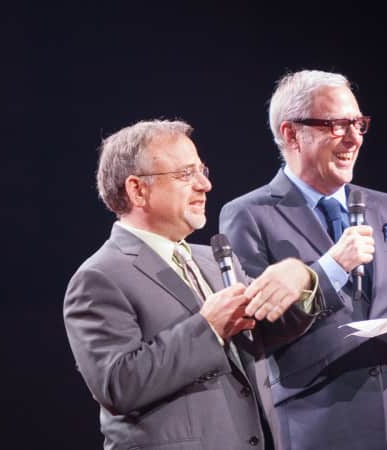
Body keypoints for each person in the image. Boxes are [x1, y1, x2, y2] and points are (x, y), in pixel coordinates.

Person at [220, 70, 387, 450]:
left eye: (358, 124)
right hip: (317, 426)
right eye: (336, 125)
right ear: (290, 133)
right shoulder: (248, 215)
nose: (353, 139)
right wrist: (331, 268)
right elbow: (255, 334)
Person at [63, 119, 321, 450]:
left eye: (202, 171)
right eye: (185, 174)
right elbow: (118, 385)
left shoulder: (211, 259)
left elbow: (259, 335)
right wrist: (208, 327)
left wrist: (303, 280)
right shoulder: (99, 277)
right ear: (137, 190)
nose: (204, 185)